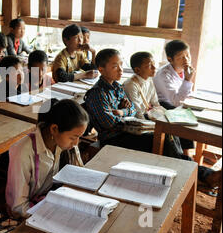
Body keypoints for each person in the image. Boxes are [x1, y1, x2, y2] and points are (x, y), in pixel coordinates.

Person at [84, 49, 220, 188]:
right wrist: (125, 112)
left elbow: (131, 109)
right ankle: (201, 175)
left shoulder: (117, 87)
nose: (120, 70)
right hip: (113, 138)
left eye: (120, 65)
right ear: (101, 69)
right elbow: (109, 123)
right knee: (162, 142)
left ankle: (197, 175)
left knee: (168, 136)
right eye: (114, 66)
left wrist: (121, 112)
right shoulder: (97, 93)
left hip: (129, 130)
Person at [6, 99, 89, 218]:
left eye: (79, 137)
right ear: (54, 129)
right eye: (73, 138)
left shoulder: (65, 144)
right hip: (29, 215)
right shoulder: (23, 151)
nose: (76, 143)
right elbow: (18, 208)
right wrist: (54, 215)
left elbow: (79, 177)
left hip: (51, 202)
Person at [153, 40, 195, 109]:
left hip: (178, 103)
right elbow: (177, 102)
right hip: (165, 106)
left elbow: (187, 95)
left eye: (187, 55)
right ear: (170, 59)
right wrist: (187, 80)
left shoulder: (184, 70)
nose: (186, 60)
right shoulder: (163, 75)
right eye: (181, 57)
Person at [123, 52, 165, 119]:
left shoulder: (149, 80)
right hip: (135, 118)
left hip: (147, 114)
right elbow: (136, 111)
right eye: (149, 65)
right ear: (137, 70)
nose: (154, 67)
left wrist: (161, 116)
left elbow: (155, 103)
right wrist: (146, 124)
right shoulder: (130, 85)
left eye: (154, 64)